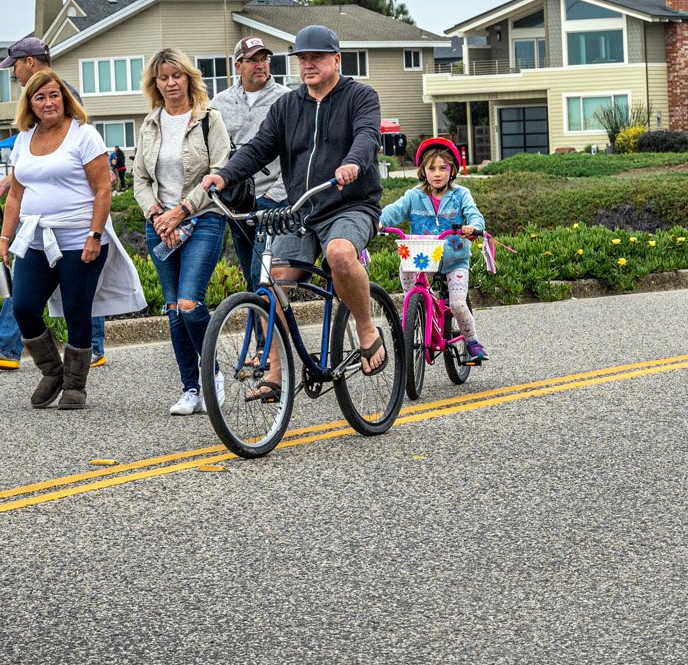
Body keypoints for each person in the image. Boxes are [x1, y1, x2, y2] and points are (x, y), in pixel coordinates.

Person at [201, 24, 388, 393]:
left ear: (336, 59)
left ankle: (367, 329)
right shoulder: (288, 106)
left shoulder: (360, 96)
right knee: (272, 285)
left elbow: (368, 136)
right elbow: (258, 149)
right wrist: (223, 177)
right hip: (301, 210)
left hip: (350, 204)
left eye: (316, 57)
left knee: (339, 254)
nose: (308, 65)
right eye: (302, 59)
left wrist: (353, 163)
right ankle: (274, 372)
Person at [0, 70, 142, 411]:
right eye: (40, 97)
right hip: (36, 238)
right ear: (31, 104)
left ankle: (75, 385)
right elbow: (15, 197)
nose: (48, 102)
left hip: (80, 237)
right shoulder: (24, 138)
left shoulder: (83, 135)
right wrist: (3, 242)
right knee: (24, 306)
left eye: (53, 95)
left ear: (64, 98)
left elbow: (103, 188)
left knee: (76, 309)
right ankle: (53, 371)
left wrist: (94, 235)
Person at [0, 36, 108, 369]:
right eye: (40, 98)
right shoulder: (32, 122)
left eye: (14, 65)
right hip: (37, 224)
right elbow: (33, 157)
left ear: (29, 61)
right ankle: (86, 348)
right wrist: (8, 182)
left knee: (75, 299)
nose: (13, 73)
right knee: (44, 297)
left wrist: (95, 233)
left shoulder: (61, 94)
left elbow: (76, 163)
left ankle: (10, 346)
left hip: (74, 225)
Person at [136, 48, 233, 416]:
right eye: (163, 77)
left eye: (176, 75)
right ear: (155, 83)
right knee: (175, 309)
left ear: (188, 78)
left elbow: (220, 172)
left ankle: (213, 377)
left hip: (203, 219)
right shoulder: (149, 124)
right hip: (160, 226)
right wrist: (158, 215)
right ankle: (191, 388)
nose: (170, 83)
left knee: (191, 303)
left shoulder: (209, 120)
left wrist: (181, 212)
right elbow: (140, 180)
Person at [379, 137, 489, 361]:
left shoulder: (461, 195)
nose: (437, 173)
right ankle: (416, 308)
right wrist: (378, 222)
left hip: (455, 259)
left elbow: (474, 213)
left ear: (452, 170)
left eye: (443, 168)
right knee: (406, 269)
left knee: (457, 303)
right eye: (432, 168)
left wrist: (474, 227)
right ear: (423, 171)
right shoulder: (414, 196)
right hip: (425, 257)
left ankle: (472, 342)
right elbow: (394, 211)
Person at [209, 35, 288, 288]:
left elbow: (297, 152)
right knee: (250, 280)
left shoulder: (287, 100)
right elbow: (212, 151)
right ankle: (262, 328)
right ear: (237, 66)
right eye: (252, 60)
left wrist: (280, 193)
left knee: (262, 275)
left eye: (264, 58)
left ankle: (271, 325)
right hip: (237, 201)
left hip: (273, 197)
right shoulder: (218, 104)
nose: (260, 65)